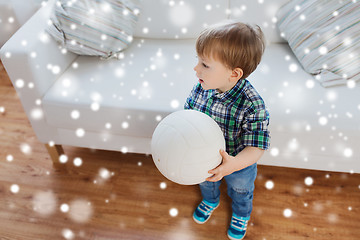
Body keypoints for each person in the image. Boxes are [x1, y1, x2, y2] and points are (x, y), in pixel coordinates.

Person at [184, 21, 270, 240]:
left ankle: (242, 213)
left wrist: (234, 164)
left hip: (237, 162)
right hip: (205, 156)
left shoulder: (252, 104)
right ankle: (210, 200)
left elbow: (257, 146)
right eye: (198, 61)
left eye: (204, 64)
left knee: (241, 189)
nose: (196, 69)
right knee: (205, 180)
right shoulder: (202, 86)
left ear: (234, 73)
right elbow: (189, 115)